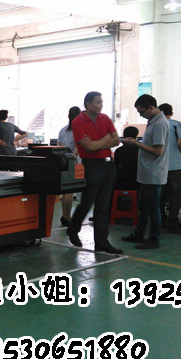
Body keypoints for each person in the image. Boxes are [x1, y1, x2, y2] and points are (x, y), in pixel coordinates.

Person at [65, 91, 123, 255]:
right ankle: (73, 229)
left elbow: (116, 140)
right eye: (98, 102)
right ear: (88, 104)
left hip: (108, 166)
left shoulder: (105, 118)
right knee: (87, 202)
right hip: (92, 166)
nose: (101, 105)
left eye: (101, 102)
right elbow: (88, 148)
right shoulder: (78, 122)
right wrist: (106, 139)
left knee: (103, 206)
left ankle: (102, 242)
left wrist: (97, 143)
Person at [120, 94, 170, 249]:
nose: (141, 115)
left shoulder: (160, 124)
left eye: (142, 112)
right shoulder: (153, 121)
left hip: (153, 172)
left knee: (153, 208)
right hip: (147, 171)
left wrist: (136, 144)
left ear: (151, 108)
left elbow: (158, 151)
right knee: (144, 206)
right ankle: (139, 234)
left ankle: (154, 239)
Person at [158, 103, 181, 233]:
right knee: (176, 196)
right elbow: (180, 142)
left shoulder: (157, 124)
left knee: (160, 196)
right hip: (176, 166)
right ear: (172, 113)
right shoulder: (176, 124)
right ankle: (172, 222)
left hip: (160, 166)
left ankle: (161, 221)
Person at [57, 106, 82, 227]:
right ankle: (68, 217)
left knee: (65, 192)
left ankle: (64, 216)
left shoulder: (62, 130)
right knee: (70, 192)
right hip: (75, 163)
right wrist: (72, 158)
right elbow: (78, 147)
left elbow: (58, 147)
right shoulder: (79, 130)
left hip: (63, 163)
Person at [114, 126, 140, 191]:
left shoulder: (119, 150)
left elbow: (116, 165)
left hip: (121, 179)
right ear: (136, 137)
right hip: (137, 178)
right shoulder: (140, 150)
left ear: (124, 136)